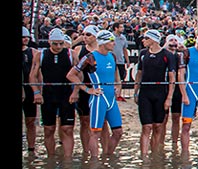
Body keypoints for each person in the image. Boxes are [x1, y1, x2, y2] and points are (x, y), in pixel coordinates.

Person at [66, 29, 124, 157]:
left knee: (118, 131)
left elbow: (115, 75)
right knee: (95, 132)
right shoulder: (90, 57)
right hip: (98, 98)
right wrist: (87, 89)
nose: (114, 43)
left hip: (111, 99)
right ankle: (94, 164)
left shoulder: (112, 56)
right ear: (103, 42)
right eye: (111, 41)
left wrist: (117, 86)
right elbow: (71, 75)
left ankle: (106, 157)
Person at [31, 29, 75, 157]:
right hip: (49, 95)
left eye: (61, 43)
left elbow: (79, 75)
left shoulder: (70, 54)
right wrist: (36, 93)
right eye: (55, 44)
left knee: (67, 129)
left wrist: (75, 92)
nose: (58, 47)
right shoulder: (41, 55)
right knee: (49, 129)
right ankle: (50, 159)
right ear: (49, 42)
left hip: (66, 94)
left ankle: (67, 162)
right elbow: (32, 76)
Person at [134, 29, 177, 156]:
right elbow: (139, 74)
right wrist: (136, 92)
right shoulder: (143, 54)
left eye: (146, 38)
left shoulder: (167, 55)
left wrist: (169, 97)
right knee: (146, 127)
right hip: (145, 93)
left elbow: (172, 77)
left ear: (153, 40)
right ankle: (144, 156)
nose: (143, 41)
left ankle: (155, 154)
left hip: (160, 93)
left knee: (158, 126)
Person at [22, 26, 40, 153]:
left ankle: (31, 148)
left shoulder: (33, 52)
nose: (25, 40)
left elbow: (37, 73)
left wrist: (38, 90)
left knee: (31, 120)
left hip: (30, 89)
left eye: (27, 37)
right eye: (23, 38)